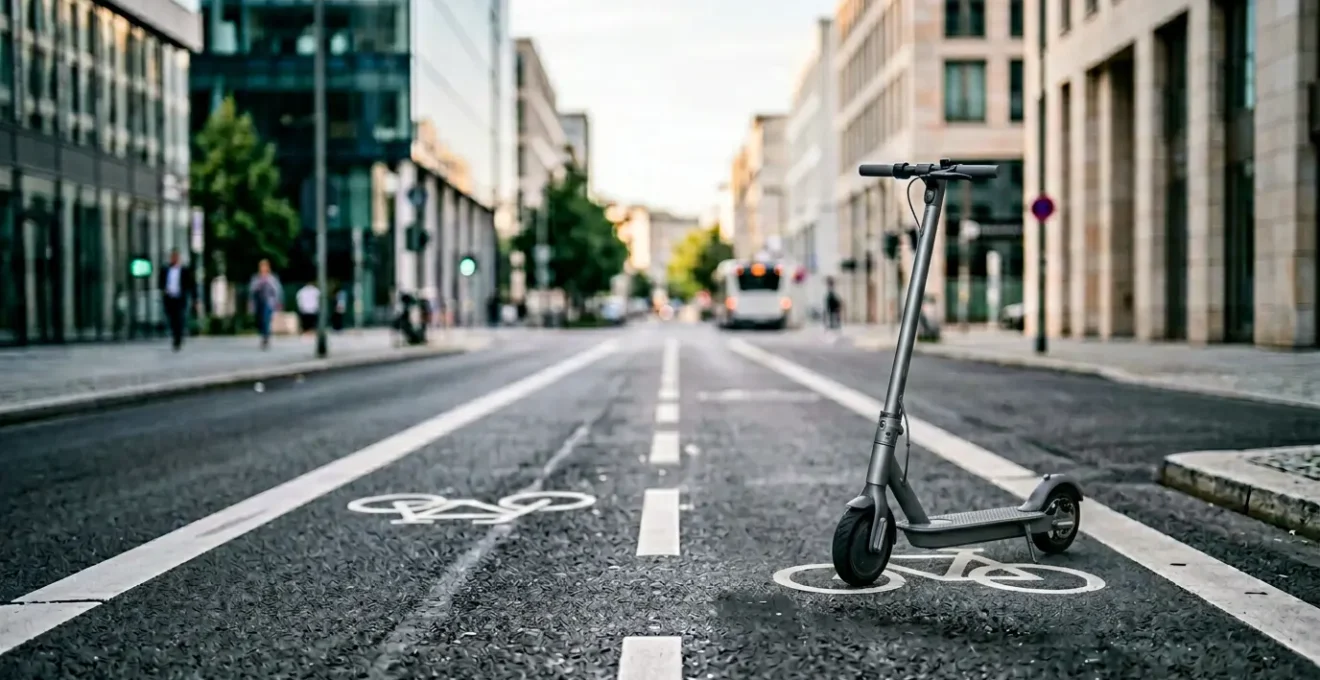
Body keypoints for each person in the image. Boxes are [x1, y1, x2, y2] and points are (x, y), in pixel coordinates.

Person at [158, 248, 196, 351]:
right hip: (169, 298)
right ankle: (175, 335)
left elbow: (191, 285)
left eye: (176, 257)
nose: (174, 259)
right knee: (172, 319)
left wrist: (194, 299)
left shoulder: (184, 270)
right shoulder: (165, 270)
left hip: (180, 298)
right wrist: (163, 290)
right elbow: (161, 282)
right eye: (172, 257)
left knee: (179, 318)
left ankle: (178, 339)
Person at [249, 259, 283, 349]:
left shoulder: (272, 278)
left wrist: (278, 302)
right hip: (259, 302)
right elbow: (252, 290)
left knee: (266, 319)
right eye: (262, 266)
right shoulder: (256, 278)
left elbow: (277, 291)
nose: (263, 268)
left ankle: (266, 337)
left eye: (265, 266)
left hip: (269, 302)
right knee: (260, 321)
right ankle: (263, 334)